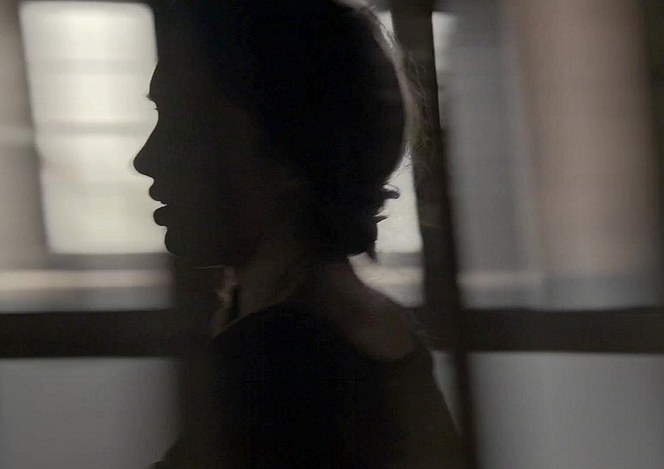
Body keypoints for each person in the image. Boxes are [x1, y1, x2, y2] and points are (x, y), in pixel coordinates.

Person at [133, 0, 463, 467]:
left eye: (186, 124)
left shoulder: (277, 360)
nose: (146, 159)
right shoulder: (378, 328)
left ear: (288, 149)